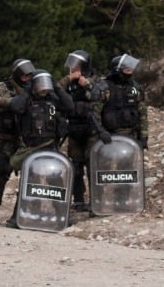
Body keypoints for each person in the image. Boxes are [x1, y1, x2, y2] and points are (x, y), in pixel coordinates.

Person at [7, 70, 73, 228]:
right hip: (31, 147)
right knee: (28, 182)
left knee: (55, 181)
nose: (43, 87)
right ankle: (19, 216)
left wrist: (57, 88)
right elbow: (15, 107)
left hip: (50, 145)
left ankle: (62, 215)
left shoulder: (53, 99)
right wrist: (28, 90)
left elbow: (69, 106)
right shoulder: (26, 99)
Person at [0, 58, 32, 225]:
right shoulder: (5, 87)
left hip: (28, 141)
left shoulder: (34, 87)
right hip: (7, 139)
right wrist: (11, 103)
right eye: (23, 75)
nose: (26, 78)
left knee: (28, 178)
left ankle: (18, 216)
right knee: (0, 173)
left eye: (29, 75)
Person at [58, 50, 100, 211]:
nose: (73, 67)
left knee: (92, 165)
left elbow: (97, 95)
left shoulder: (94, 79)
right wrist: (69, 79)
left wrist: (86, 84)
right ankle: (78, 199)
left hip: (91, 129)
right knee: (76, 166)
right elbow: (55, 90)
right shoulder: (69, 82)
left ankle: (96, 200)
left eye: (76, 64)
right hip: (74, 128)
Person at [90, 54, 148, 147]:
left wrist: (144, 137)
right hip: (110, 138)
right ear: (117, 70)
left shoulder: (134, 88)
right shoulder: (105, 89)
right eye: (127, 70)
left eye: (131, 70)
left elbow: (143, 113)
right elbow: (94, 113)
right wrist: (101, 132)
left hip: (132, 137)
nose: (130, 72)